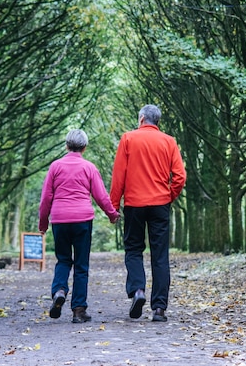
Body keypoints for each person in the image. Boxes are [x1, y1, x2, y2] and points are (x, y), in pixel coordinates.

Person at [109, 104, 186, 322]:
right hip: (160, 203)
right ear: (157, 121)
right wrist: (168, 196)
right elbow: (179, 176)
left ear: (142, 118)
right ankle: (159, 308)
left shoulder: (128, 139)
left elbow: (119, 176)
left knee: (133, 249)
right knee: (160, 255)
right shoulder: (169, 141)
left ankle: (138, 291)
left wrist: (114, 206)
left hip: (134, 203)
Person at [39, 129, 120, 323]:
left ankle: (59, 290)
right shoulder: (89, 167)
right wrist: (112, 214)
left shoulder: (55, 167)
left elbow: (46, 198)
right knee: (81, 265)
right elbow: (100, 195)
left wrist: (43, 223)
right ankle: (78, 310)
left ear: (67, 145)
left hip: (59, 220)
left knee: (63, 260)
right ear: (85, 147)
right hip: (83, 220)